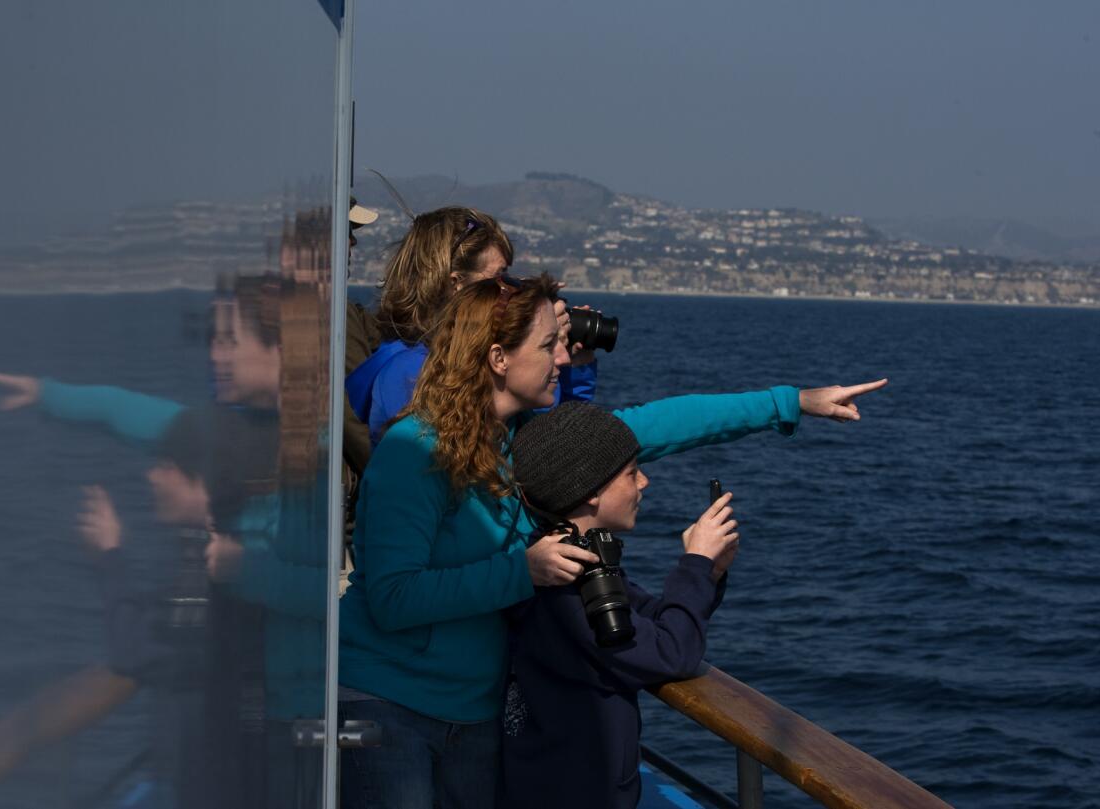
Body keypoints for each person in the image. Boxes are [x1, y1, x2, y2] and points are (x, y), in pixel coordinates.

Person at [337, 271, 887, 809]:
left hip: (474, 709)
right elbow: (393, 598)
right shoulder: (415, 453)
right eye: (548, 344)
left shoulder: (521, 439)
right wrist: (521, 572)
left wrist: (789, 403)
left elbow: (658, 424)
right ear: (498, 358)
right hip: (390, 704)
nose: (562, 358)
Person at [502, 402, 738, 809]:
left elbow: (647, 613)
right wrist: (695, 563)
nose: (644, 482)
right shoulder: (573, 581)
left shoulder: (561, 556)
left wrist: (709, 574)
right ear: (590, 491)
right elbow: (671, 653)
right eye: (632, 473)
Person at [345, 207, 596, 447]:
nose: (509, 289)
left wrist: (570, 365)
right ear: (455, 283)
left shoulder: (443, 359)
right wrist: (545, 342)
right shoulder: (411, 372)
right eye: (499, 278)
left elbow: (563, 450)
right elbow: (533, 451)